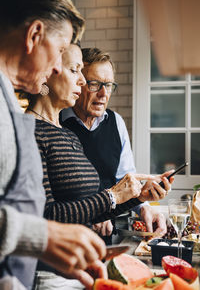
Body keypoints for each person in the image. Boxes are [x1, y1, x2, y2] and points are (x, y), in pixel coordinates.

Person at [24, 43, 172, 288]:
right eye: (75, 71)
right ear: (48, 72)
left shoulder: (66, 135)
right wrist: (112, 195)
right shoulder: (28, 129)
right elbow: (45, 217)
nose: (81, 82)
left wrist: (138, 198)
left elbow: (92, 209)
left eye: (84, 75)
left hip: (81, 268)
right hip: (51, 273)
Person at [0, 0, 107, 290]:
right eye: (60, 50)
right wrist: (43, 237)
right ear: (34, 35)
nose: (58, 68)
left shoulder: (8, 100)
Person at [60, 47, 173, 240]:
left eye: (109, 85)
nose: (104, 94)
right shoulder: (57, 123)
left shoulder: (116, 122)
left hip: (106, 234)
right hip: (65, 237)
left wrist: (144, 207)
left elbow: (125, 179)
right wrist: (93, 214)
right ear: (78, 83)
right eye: (94, 84)